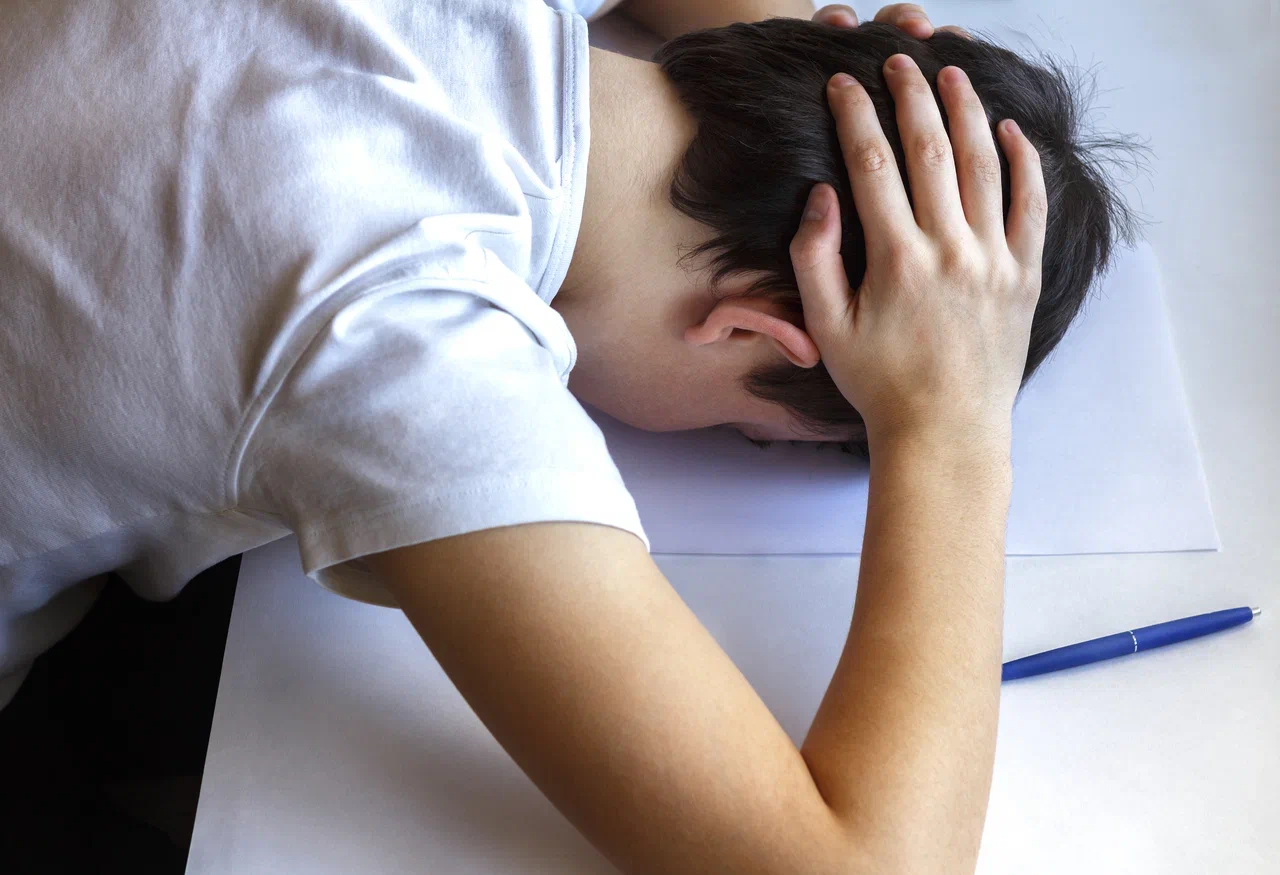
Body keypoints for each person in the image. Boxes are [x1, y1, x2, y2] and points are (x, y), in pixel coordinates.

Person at [0, 0, 1129, 871]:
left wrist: (836, 91)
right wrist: (947, 426)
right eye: (751, 431)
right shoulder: (402, 335)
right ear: (748, 329)